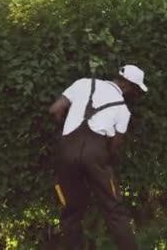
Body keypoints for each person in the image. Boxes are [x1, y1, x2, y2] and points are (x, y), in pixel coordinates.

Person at [48, 64, 147, 250]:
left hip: (66, 152)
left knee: (71, 210)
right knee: (114, 210)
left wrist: (68, 133)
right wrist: (99, 160)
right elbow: (114, 146)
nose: (135, 94)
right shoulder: (123, 110)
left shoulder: (83, 83)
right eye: (135, 90)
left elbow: (55, 110)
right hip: (96, 155)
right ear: (127, 85)